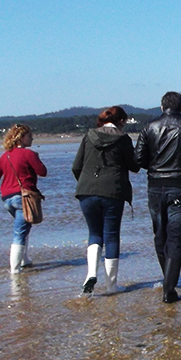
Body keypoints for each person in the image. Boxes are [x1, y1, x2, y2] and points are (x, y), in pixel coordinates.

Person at [134, 91, 181, 303]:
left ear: (162, 106)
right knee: (176, 237)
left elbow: (138, 159)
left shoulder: (149, 126)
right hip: (180, 185)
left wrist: (155, 163)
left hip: (155, 186)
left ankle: (169, 283)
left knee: (160, 236)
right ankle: (169, 287)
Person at [72, 106, 140, 295]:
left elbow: (76, 166)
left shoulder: (88, 136)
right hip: (112, 191)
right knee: (111, 236)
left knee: (94, 233)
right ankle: (111, 286)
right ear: (121, 122)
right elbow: (134, 166)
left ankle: (91, 274)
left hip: (86, 190)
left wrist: (87, 184)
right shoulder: (123, 139)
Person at [0, 123, 48, 273]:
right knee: (20, 232)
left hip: (7, 199)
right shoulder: (29, 154)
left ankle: (24, 260)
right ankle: (15, 270)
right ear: (21, 138)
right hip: (23, 197)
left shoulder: (4, 156)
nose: (32, 138)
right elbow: (43, 172)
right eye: (29, 135)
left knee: (24, 226)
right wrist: (36, 158)